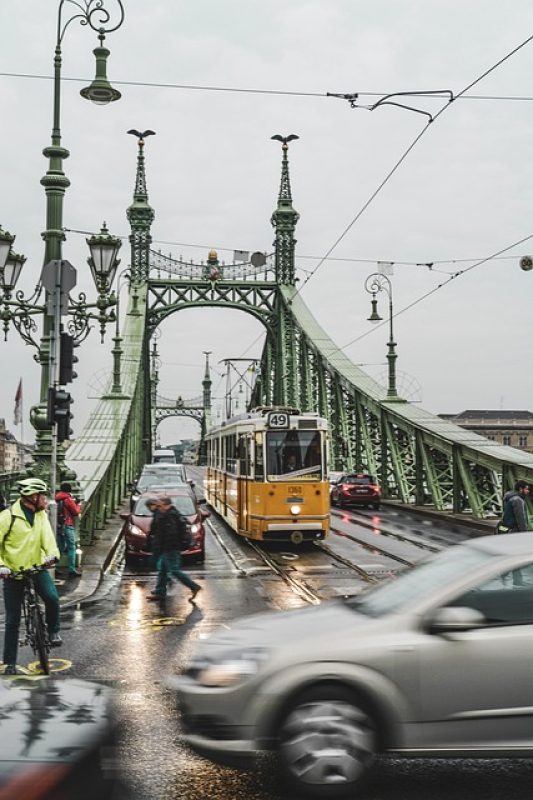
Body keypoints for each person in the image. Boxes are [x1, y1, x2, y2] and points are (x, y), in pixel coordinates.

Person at [0, 478, 61, 675]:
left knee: (52, 598)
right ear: (32, 497)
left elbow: (48, 538)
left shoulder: (41, 515)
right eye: (43, 496)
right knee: (12, 621)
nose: (46, 499)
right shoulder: (8, 517)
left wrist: (52, 555)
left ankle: (53, 631)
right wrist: (2, 566)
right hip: (13, 573)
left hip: (37, 567)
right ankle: (9, 663)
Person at [147, 495, 201, 603]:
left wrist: (161, 546)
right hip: (165, 548)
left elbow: (170, 534)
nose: (158, 507)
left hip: (170, 548)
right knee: (163, 570)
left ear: (166, 505)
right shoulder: (165, 514)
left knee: (174, 570)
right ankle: (160, 592)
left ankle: (194, 586)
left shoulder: (170, 516)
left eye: (160, 505)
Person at [55, 482, 82, 578]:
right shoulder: (68, 499)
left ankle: (54, 566)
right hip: (68, 524)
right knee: (71, 547)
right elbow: (75, 512)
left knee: (60, 547)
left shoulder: (56, 498)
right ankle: (71, 569)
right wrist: (78, 505)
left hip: (59, 526)